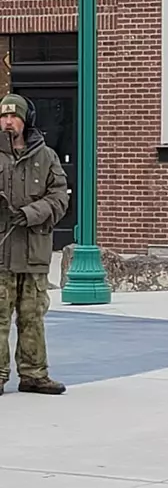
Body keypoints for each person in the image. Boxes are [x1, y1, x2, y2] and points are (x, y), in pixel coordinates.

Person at [0, 93, 69, 396]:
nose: (7, 121)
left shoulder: (47, 157)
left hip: (34, 249)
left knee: (32, 315)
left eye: (13, 115)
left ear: (26, 119)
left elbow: (60, 197)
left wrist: (30, 213)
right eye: (3, 116)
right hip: (1, 251)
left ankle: (34, 374)